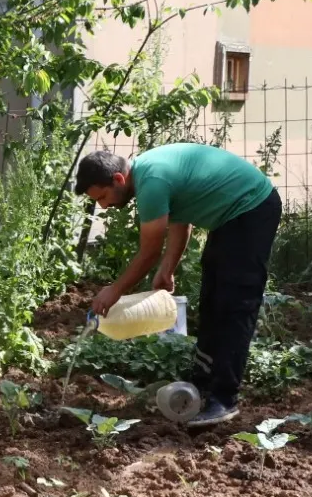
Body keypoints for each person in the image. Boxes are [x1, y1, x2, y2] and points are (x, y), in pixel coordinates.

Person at [75, 143, 282, 428]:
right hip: (229, 219)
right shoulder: (149, 175)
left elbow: (148, 252)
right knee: (211, 299)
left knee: (235, 304)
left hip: (251, 208)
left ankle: (224, 398)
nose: (103, 205)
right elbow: (180, 222)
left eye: (103, 196)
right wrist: (167, 270)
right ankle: (202, 382)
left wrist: (115, 289)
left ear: (119, 179)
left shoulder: (152, 181)